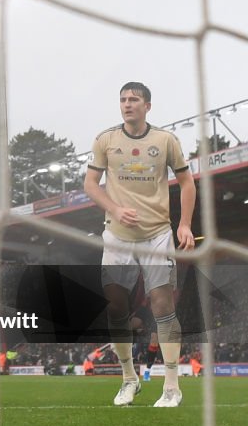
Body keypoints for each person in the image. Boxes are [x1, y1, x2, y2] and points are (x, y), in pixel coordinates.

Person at [84, 81, 196, 408]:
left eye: (134, 99)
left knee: (162, 304)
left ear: (147, 105)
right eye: (123, 99)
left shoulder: (166, 140)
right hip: (117, 236)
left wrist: (185, 224)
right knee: (116, 308)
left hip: (157, 233)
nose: (127, 104)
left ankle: (172, 386)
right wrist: (115, 208)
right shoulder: (106, 140)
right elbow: (90, 184)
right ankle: (128, 379)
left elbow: (187, 182)